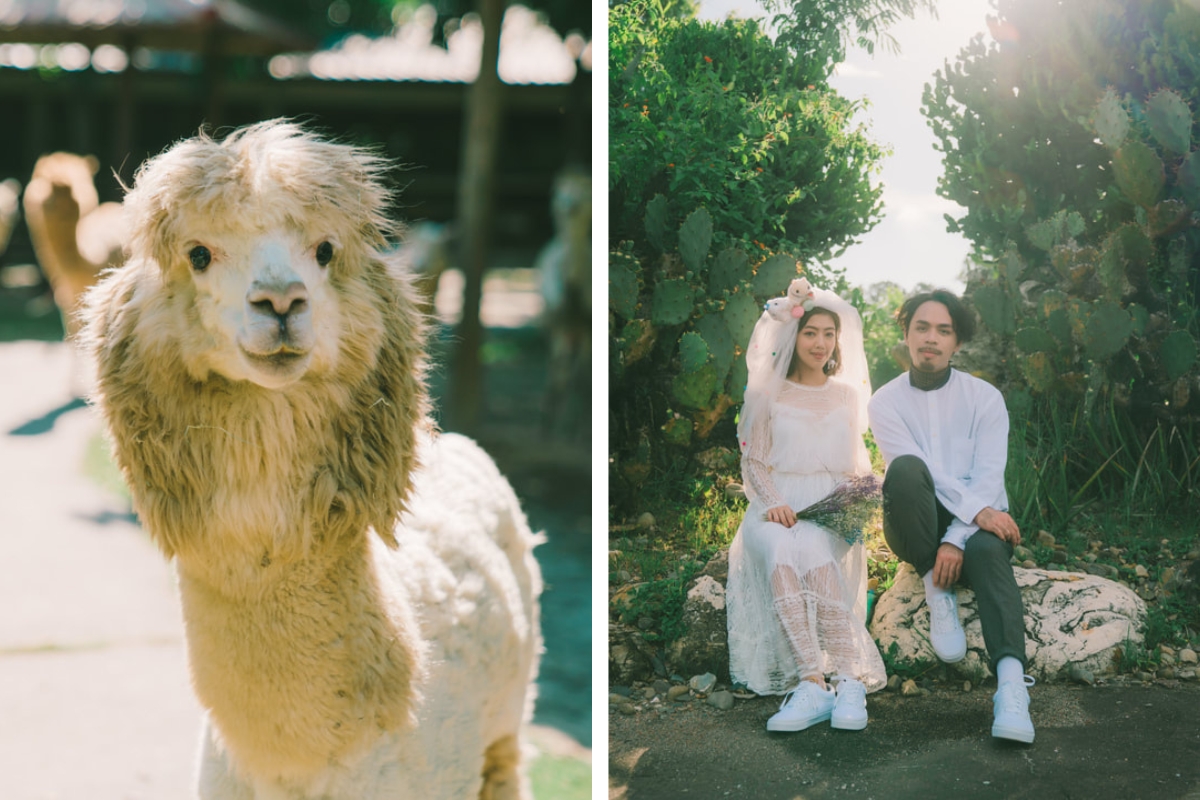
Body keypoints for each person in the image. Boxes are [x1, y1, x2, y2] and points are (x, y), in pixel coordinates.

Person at [867, 289, 1035, 744]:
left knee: (989, 555)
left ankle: (1012, 688)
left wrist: (957, 538)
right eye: (922, 327)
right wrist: (942, 544)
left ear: (956, 341)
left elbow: (988, 476)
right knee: (904, 469)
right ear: (906, 333)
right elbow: (920, 472)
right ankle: (934, 587)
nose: (931, 339)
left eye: (944, 330)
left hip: (976, 522)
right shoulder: (884, 402)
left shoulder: (984, 398)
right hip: (913, 520)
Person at [726, 278, 887, 733]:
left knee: (814, 549)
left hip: (830, 505)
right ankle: (812, 682)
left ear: (839, 341)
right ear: (793, 336)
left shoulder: (847, 396)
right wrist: (774, 503)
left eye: (828, 334)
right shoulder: (767, 394)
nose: (820, 343)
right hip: (773, 503)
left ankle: (849, 680)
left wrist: (857, 501)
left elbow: (856, 464)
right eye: (811, 332)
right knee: (781, 549)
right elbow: (754, 461)